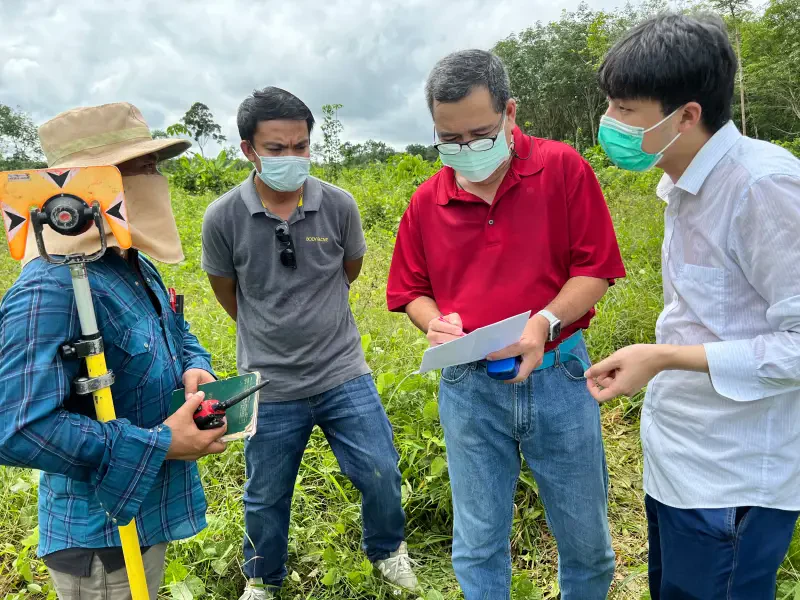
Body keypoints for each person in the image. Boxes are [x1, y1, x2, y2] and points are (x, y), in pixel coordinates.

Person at [386, 50, 626, 600]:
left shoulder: (562, 169)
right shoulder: (427, 201)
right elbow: (409, 291)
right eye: (450, 139)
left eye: (480, 132)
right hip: (469, 386)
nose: (466, 150)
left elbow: (596, 269)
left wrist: (544, 322)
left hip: (559, 376)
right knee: (477, 541)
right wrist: (435, 324)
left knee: (586, 539)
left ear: (510, 112)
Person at [585, 14, 800, 599]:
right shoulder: (682, 185)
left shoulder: (763, 187)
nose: (610, 123)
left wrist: (663, 357)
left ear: (686, 115)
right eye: (611, 105)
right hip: (681, 463)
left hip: (733, 481)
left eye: (627, 110)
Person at [0, 102, 227, 599]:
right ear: (82, 189)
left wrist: (195, 366)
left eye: (153, 166)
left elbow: (177, 331)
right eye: (138, 169)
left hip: (144, 515)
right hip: (100, 542)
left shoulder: (127, 259)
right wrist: (160, 443)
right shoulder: (52, 288)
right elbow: (16, 428)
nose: (154, 179)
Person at [200, 87, 418, 599]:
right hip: (268, 382)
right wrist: (271, 333)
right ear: (248, 150)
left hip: (341, 370)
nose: (291, 158)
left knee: (381, 470)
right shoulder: (222, 217)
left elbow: (350, 271)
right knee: (265, 493)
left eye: (300, 146)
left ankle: (388, 551)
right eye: (276, 149)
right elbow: (228, 295)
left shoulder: (338, 205)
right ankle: (263, 579)